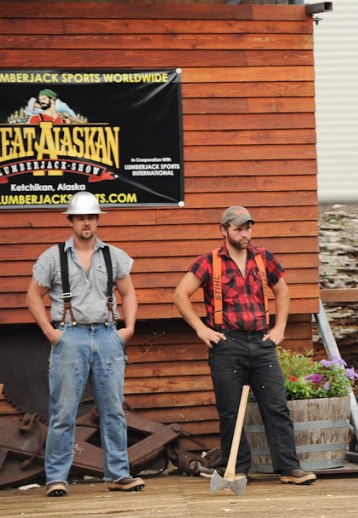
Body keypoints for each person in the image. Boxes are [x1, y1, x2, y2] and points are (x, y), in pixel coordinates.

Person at [172, 206, 316, 485]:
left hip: (261, 342)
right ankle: (237, 469)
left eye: (247, 227)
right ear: (223, 230)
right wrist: (201, 329)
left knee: (276, 406)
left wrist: (280, 327)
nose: (244, 233)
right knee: (230, 410)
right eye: (238, 228)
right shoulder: (209, 262)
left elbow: (282, 290)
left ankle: (289, 468)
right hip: (227, 344)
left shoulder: (263, 258)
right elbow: (180, 294)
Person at [26, 191, 143, 497]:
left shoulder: (113, 255)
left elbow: (128, 293)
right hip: (70, 336)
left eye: (92, 217)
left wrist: (127, 328)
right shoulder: (53, 256)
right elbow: (32, 297)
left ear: (97, 220)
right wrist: (51, 333)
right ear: (71, 221)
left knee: (113, 409)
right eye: (81, 218)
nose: (87, 223)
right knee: (63, 410)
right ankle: (56, 477)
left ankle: (119, 474)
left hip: (107, 335)